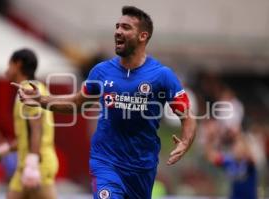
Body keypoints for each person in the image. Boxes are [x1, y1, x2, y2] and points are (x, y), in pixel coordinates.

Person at [13, 6, 196, 199]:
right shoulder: (101, 72)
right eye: (117, 26)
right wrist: (42, 100)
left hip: (142, 167)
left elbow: (187, 116)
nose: (118, 31)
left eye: (125, 27)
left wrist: (185, 142)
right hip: (106, 161)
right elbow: (77, 103)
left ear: (143, 36)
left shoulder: (162, 76)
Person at [0, 49, 58, 199]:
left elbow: (36, 129)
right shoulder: (29, 89)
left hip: (38, 164)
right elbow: (25, 137)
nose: (7, 68)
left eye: (9, 63)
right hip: (25, 165)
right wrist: (1, 152)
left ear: (18, 64)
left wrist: (32, 165)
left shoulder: (29, 91)